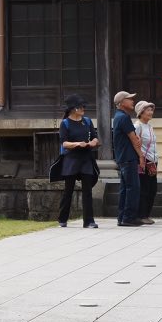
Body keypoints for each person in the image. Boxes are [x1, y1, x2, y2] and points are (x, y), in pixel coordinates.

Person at [57, 94, 100, 228]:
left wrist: (93, 142)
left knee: (87, 191)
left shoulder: (87, 121)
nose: (83, 109)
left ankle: (89, 221)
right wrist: (77, 144)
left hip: (86, 158)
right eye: (81, 107)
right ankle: (62, 219)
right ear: (73, 109)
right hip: (71, 159)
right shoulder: (65, 123)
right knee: (68, 190)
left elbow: (95, 137)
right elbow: (64, 143)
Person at [111, 90, 142, 227]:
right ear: (122, 102)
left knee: (125, 188)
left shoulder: (118, 116)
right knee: (133, 188)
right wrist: (141, 156)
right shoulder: (124, 117)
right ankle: (128, 217)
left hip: (122, 157)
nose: (132, 101)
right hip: (129, 157)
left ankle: (122, 217)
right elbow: (133, 139)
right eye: (129, 99)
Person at [134, 100, 159, 225]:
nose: (151, 112)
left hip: (152, 161)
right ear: (141, 112)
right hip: (144, 161)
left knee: (152, 189)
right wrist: (141, 158)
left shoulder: (149, 126)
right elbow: (135, 144)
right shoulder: (137, 126)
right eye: (148, 110)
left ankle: (147, 214)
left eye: (151, 110)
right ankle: (141, 215)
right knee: (144, 188)